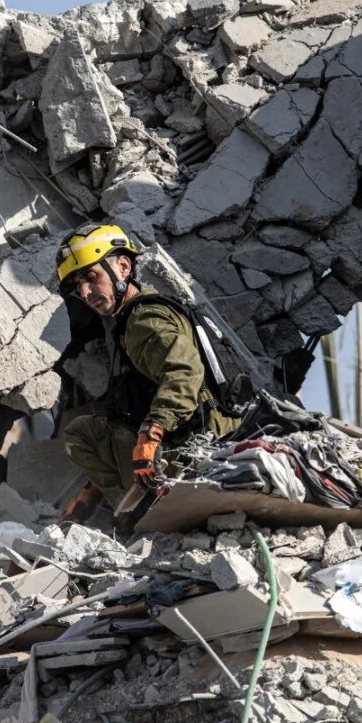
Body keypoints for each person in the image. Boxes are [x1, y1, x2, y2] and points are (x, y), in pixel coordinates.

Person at [54, 223, 240, 520]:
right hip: (196, 437)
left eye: (91, 277)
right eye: (79, 286)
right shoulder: (133, 320)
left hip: (196, 447)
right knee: (91, 430)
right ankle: (132, 508)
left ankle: (139, 516)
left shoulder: (143, 320)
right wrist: (90, 492)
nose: (86, 292)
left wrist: (151, 434)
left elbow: (184, 371)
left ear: (123, 267)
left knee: (80, 434)